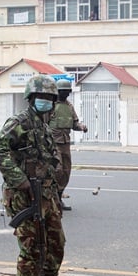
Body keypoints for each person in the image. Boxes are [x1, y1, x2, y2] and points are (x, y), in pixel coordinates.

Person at [0, 74, 75, 276]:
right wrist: (20, 179)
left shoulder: (44, 126)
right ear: (31, 98)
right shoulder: (20, 122)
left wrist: (55, 193)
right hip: (25, 195)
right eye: (41, 97)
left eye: (49, 98)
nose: (46, 102)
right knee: (32, 246)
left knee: (56, 243)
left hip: (46, 194)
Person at [50, 78, 88, 211]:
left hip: (65, 143)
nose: (65, 94)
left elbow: (74, 124)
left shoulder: (69, 106)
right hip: (53, 143)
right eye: (63, 92)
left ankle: (59, 198)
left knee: (66, 171)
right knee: (57, 170)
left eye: (67, 92)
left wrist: (81, 127)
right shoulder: (51, 106)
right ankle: (52, 199)